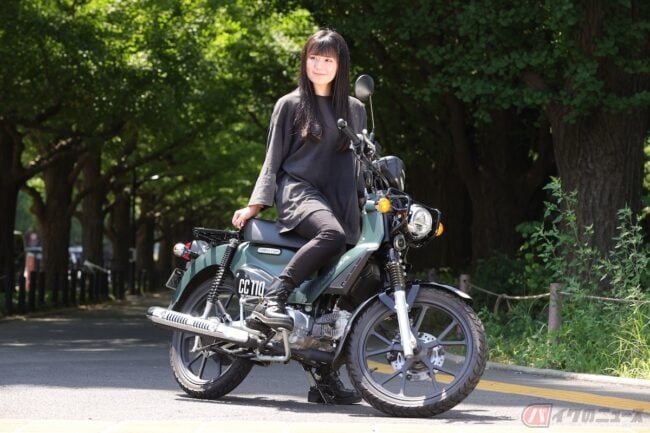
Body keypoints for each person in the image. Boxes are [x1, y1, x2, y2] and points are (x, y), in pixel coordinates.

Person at [231, 29, 366, 405]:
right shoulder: (290, 104)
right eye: (313, 58)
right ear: (305, 61)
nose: (319, 65)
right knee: (331, 235)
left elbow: (363, 164)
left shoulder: (354, 109)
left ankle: (324, 381)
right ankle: (274, 297)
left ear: (340, 65)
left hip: (341, 201)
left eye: (328, 59)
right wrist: (256, 204)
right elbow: (272, 158)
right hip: (299, 193)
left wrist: (372, 199)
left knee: (340, 289)